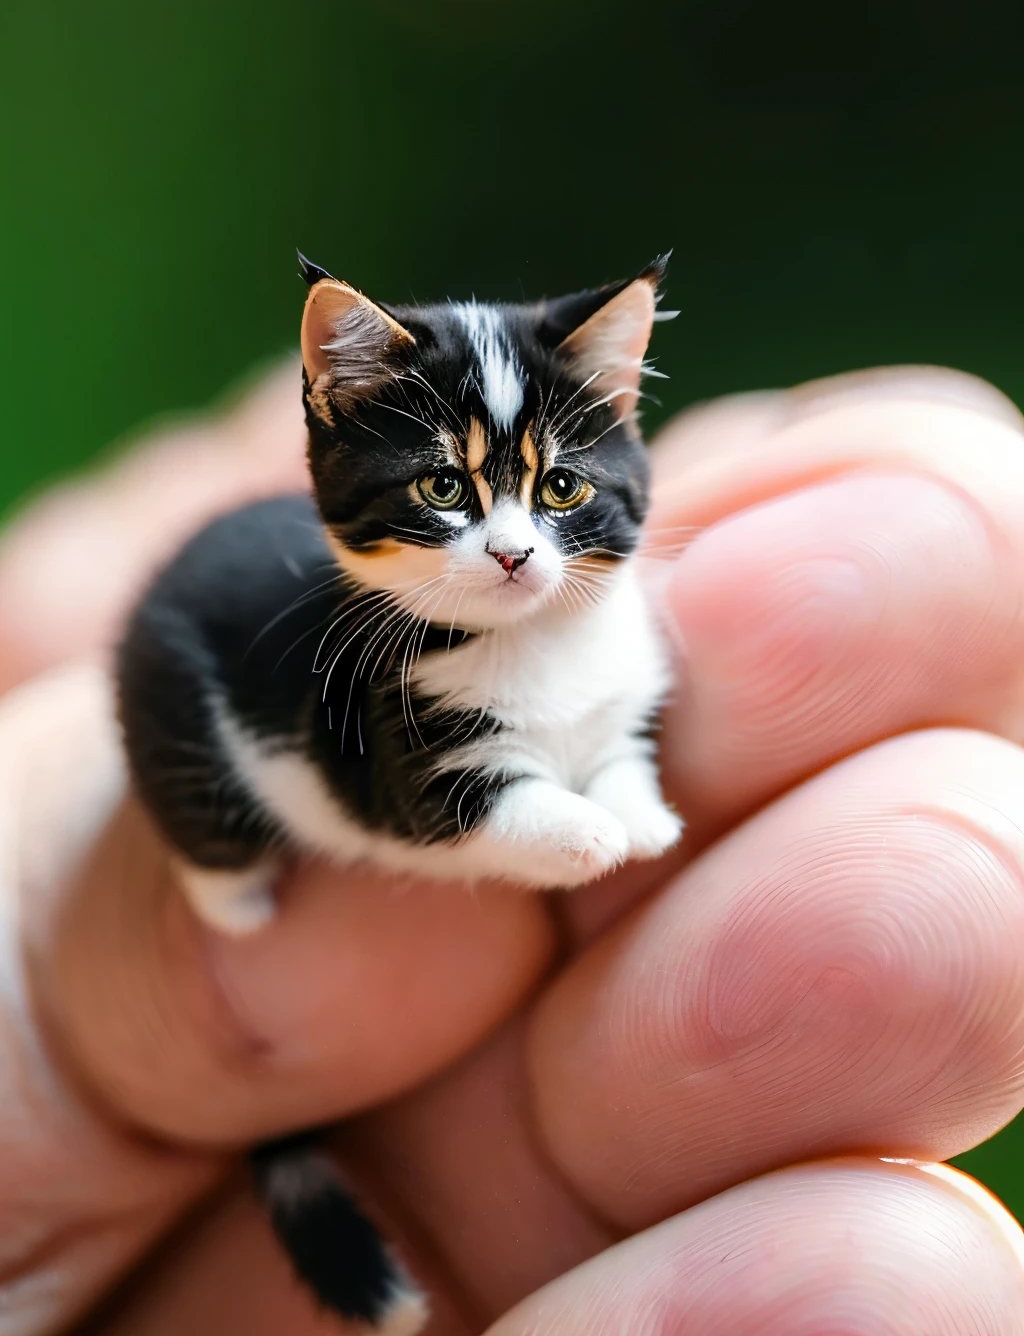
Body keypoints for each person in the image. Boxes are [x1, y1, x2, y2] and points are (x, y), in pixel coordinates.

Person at [2, 360, 1024, 1335]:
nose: (511, 543)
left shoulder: (610, 631)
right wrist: (564, 825)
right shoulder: (405, 660)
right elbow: (444, 812)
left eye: (560, 487)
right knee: (234, 864)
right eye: (448, 488)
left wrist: (622, 790)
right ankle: (217, 879)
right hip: (226, 718)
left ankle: (301, 1169)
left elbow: (620, 734)